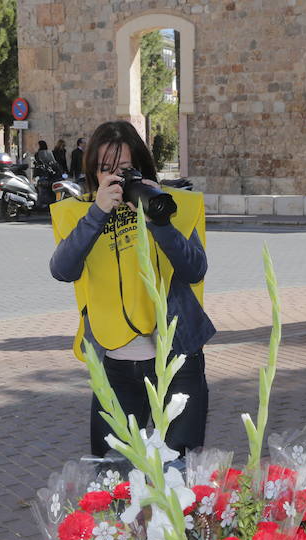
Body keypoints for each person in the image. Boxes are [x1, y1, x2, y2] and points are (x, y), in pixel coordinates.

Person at [50, 120, 215, 458]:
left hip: (177, 359)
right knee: (114, 477)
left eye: (125, 169)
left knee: (180, 473)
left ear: (141, 167)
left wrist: (159, 220)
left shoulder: (170, 206)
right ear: (93, 173)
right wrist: (97, 213)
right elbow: (62, 269)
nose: (116, 178)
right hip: (117, 365)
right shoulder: (82, 213)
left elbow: (195, 269)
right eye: (105, 170)